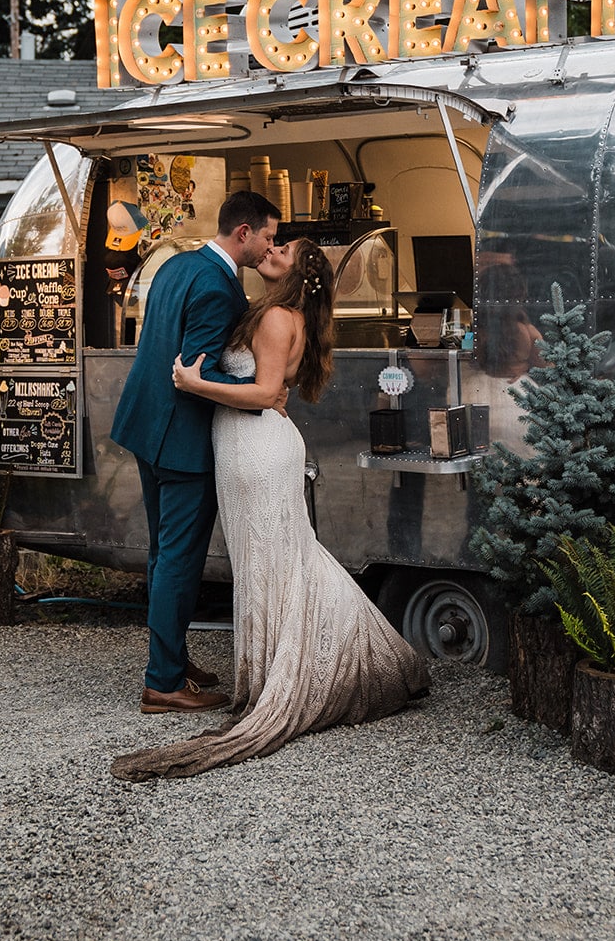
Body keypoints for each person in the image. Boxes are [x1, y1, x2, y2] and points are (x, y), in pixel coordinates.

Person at [111, 236, 429, 781]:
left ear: (296, 270)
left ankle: (313, 659)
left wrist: (195, 381)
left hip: (257, 449)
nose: (272, 248)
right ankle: (262, 662)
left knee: (278, 557)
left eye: (282, 248)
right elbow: (263, 385)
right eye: (272, 239)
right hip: (240, 446)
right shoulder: (267, 310)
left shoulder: (279, 317)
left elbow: (263, 394)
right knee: (266, 561)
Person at [110, 189, 281, 714]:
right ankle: (163, 682)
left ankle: (173, 659)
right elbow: (197, 374)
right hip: (181, 440)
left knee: (164, 553)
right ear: (244, 232)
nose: (270, 249)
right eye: (268, 238)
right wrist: (262, 397)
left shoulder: (176, 264)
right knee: (179, 559)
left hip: (144, 426)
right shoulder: (216, 288)